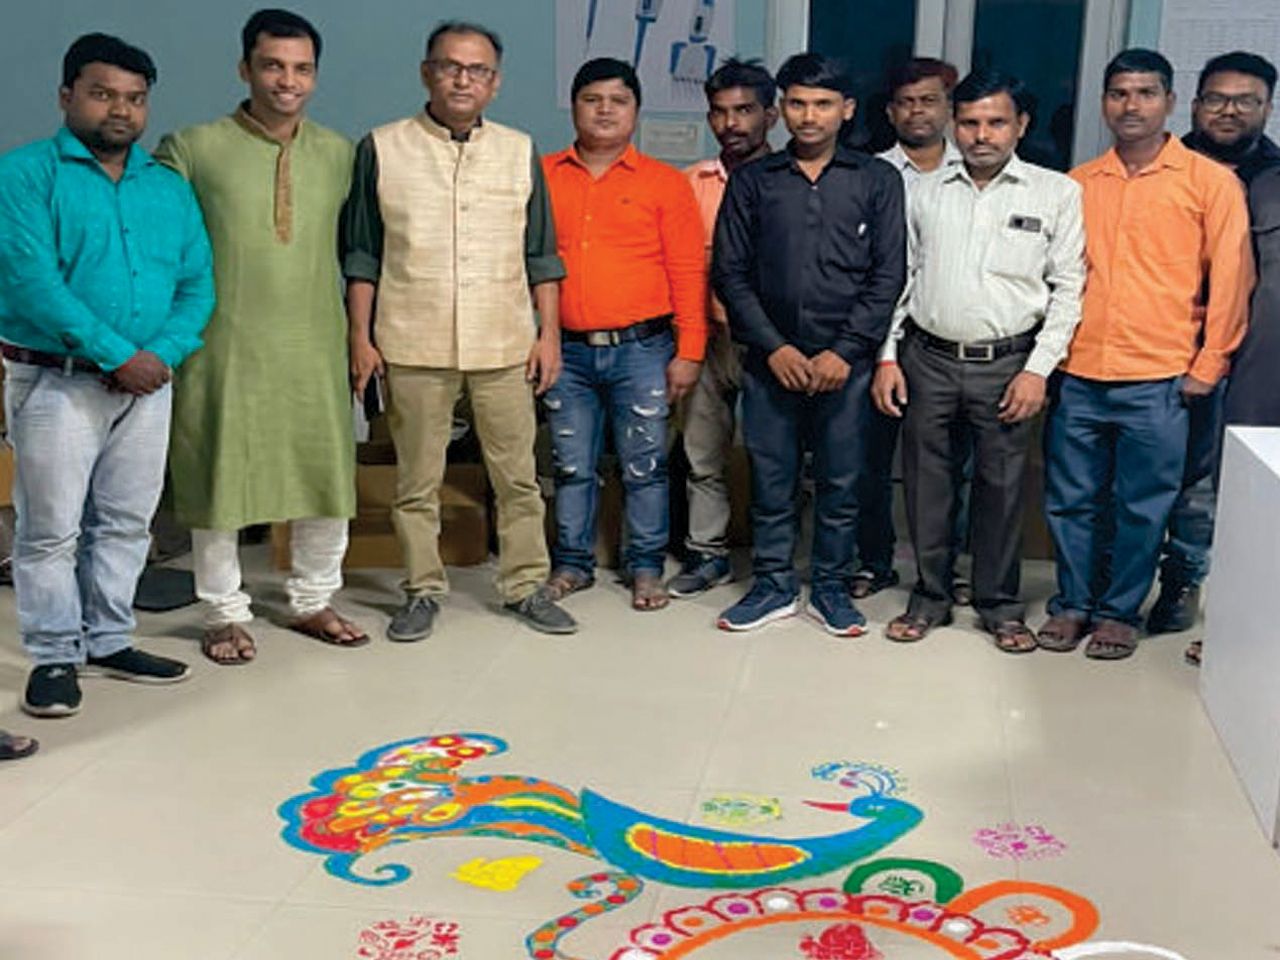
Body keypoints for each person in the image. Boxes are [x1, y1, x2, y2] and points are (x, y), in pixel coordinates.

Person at [0, 33, 214, 717]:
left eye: (134, 98)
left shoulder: (167, 188)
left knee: (126, 521)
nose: (120, 110)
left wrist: (161, 355)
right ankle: (54, 655)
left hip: (148, 385)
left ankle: (110, 639)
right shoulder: (24, 175)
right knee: (50, 530)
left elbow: (198, 285)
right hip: (57, 381)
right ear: (67, 96)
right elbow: (32, 282)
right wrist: (117, 354)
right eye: (102, 94)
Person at [344, 21, 575, 640]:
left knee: (518, 478)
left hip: (504, 341)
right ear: (427, 73)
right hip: (411, 340)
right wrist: (360, 337)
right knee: (416, 481)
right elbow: (362, 254)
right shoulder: (383, 147)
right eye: (450, 67)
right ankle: (421, 589)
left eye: (477, 71)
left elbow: (541, 255)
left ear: (495, 83)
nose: (462, 80)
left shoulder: (518, 150)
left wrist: (548, 335)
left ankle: (525, 585)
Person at [157, 9, 367, 665]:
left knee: (324, 471)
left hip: (314, 342)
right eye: (273, 66)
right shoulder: (192, 148)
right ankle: (223, 613)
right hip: (221, 344)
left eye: (302, 69)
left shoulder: (340, 154)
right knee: (219, 474)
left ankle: (312, 598)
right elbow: (158, 247)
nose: (287, 81)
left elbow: (363, 251)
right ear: (244, 69)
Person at [1038, 49, 1252, 661]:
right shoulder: (1079, 183)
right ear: (1104, 102)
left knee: (1142, 506)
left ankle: (1118, 612)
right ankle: (1073, 604)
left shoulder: (1209, 182)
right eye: (1119, 93)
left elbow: (1232, 279)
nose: (1131, 105)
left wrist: (1209, 365)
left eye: (1145, 93)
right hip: (1079, 373)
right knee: (1071, 501)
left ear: (1170, 102)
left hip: (1161, 379)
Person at [872, 69, 1085, 651]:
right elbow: (900, 279)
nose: (981, 134)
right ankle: (930, 596)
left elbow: (1069, 289)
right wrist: (888, 357)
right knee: (926, 486)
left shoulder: (1056, 193)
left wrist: (1037, 370)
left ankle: (999, 605)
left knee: (1003, 488)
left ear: (1022, 125)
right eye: (969, 122)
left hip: (1008, 364)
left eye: (996, 121)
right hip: (927, 358)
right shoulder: (922, 191)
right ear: (953, 124)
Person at [713, 53, 905, 634]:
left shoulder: (877, 179)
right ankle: (772, 586)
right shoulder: (754, 181)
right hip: (771, 360)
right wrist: (774, 348)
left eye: (822, 104)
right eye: (797, 103)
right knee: (772, 480)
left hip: (845, 366)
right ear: (782, 109)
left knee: (842, 482)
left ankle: (830, 588)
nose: (808, 115)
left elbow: (888, 275)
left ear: (846, 110)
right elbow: (730, 273)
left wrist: (845, 351)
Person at [542, 58, 707, 612]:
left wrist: (690, 351)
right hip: (566, 351)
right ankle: (572, 564)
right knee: (570, 466)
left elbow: (688, 271)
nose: (605, 110)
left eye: (619, 100)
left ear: (636, 110)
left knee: (645, 466)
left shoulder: (664, 183)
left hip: (643, 350)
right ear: (574, 107)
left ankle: (646, 567)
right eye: (592, 99)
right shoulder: (542, 176)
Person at [1146, 51, 1280, 643]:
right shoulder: (1161, 170)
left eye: (1246, 100)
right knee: (1158, 480)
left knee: (1224, 487)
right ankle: (1139, 585)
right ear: (1195, 104)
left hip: (1254, 363)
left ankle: (1199, 589)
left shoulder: (1275, 182)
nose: (1230, 110)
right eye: (1218, 99)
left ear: (1267, 108)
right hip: (1166, 349)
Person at [856, 57, 967, 603]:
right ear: (889, 111)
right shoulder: (868, 173)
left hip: (945, 341)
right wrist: (882, 351)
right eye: (905, 102)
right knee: (869, 462)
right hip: (877, 342)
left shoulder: (976, 170)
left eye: (929, 100)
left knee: (952, 466)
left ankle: (948, 569)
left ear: (949, 108)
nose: (917, 111)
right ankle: (873, 561)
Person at [667, 58, 777, 599]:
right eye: (719, 112)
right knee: (701, 454)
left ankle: (775, 561)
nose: (731, 123)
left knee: (773, 457)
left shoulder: (792, 180)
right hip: (707, 339)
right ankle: (706, 553)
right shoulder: (691, 184)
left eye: (745, 110)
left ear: (771, 115)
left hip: (772, 345)